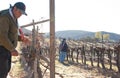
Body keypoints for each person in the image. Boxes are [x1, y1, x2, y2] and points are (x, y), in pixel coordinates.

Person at [0, 2, 27, 78]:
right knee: (2, 72)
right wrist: (12, 49)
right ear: (15, 8)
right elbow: (2, 36)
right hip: (2, 49)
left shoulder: (13, 16)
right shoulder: (5, 17)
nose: (20, 15)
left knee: (5, 70)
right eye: (20, 12)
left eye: (22, 13)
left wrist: (21, 39)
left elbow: (11, 34)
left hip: (6, 49)